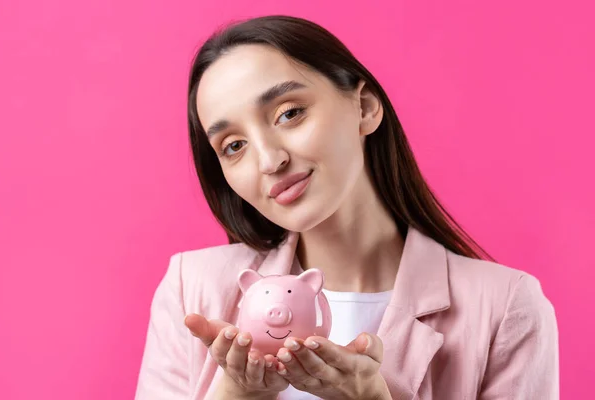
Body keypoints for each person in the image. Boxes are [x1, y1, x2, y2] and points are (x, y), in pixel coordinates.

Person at [135, 15, 559, 400]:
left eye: (289, 113)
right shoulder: (192, 289)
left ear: (365, 107)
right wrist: (238, 393)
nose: (269, 160)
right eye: (234, 146)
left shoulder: (506, 308)